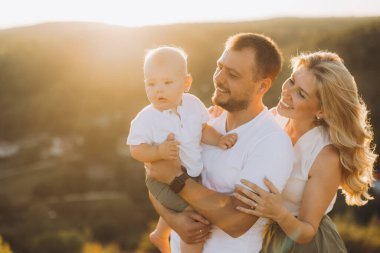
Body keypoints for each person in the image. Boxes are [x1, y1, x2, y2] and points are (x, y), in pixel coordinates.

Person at [145, 33, 294, 253]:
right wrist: (173, 219)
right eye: (220, 67)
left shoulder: (271, 143)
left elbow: (237, 221)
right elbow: (153, 174)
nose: (219, 78)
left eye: (232, 74)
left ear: (262, 86)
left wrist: (177, 179)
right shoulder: (204, 119)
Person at [233, 51, 378, 253]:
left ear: (322, 110)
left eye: (301, 93)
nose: (287, 92)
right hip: (264, 235)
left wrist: (278, 213)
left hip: (305, 244)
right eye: (291, 81)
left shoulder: (325, 156)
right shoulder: (276, 118)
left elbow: (308, 230)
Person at [126, 46, 237, 253]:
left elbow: (202, 130)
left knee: (190, 193)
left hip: (190, 174)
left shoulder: (193, 105)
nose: (158, 89)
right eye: (151, 84)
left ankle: (160, 234)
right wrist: (158, 152)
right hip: (161, 181)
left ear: (186, 83)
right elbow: (136, 150)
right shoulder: (146, 118)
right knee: (195, 217)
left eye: (167, 82)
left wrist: (219, 139)